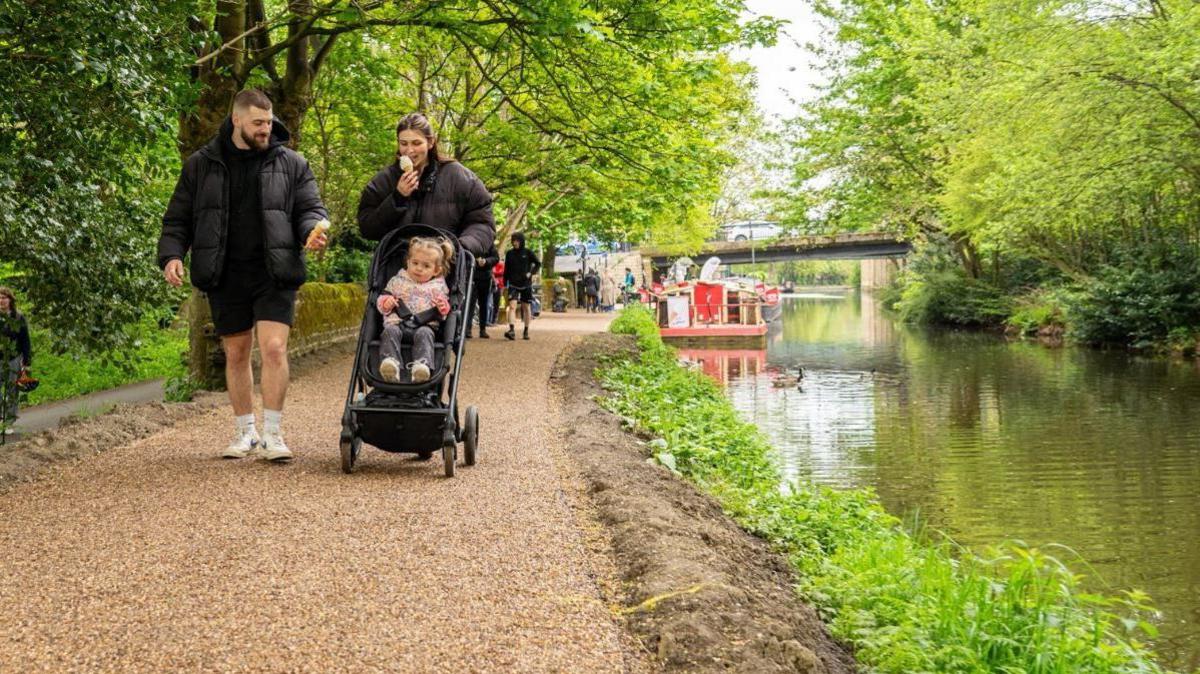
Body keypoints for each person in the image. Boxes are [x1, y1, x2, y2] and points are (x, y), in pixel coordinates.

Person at [158, 89, 329, 462]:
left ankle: (273, 433)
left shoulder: (293, 163)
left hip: (275, 269)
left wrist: (312, 230)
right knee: (235, 354)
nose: (266, 129)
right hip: (225, 271)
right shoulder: (201, 164)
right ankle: (244, 432)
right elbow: (178, 217)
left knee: (273, 348)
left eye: (269, 123)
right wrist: (171, 255)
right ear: (236, 120)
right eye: (258, 123)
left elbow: (310, 208)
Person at [357, 112, 495, 258]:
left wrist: (458, 248)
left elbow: (483, 223)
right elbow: (367, 228)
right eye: (404, 143)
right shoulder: (385, 180)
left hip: (445, 271)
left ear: (430, 143)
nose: (409, 150)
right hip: (396, 271)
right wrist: (397, 199)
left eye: (416, 143)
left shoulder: (460, 177)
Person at [377, 237, 453, 383]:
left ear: (436, 271)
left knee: (425, 334)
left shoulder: (438, 287)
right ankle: (390, 364)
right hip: (397, 323)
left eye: (426, 266)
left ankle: (421, 367)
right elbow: (382, 299)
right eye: (415, 263)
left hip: (424, 325)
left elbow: (444, 309)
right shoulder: (397, 281)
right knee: (389, 332)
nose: (419, 268)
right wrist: (387, 303)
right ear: (408, 262)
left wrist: (442, 307)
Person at [0, 287, 32, 435]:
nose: (1, 300)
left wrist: (27, 362)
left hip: (13, 359)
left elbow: (25, 340)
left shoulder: (18, 318)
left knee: (12, 391)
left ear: (10, 300)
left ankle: (8, 422)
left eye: (4, 297)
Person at [503, 232, 540, 340]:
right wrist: (505, 283)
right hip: (513, 284)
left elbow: (538, 263)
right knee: (512, 307)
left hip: (526, 284)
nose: (515, 243)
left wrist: (531, 273)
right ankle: (511, 330)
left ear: (521, 241)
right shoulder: (509, 253)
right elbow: (506, 269)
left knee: (526, 307)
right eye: (513, 241)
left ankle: (526, 330)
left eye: (517, 241)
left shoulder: (528, 252)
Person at [467, 243, 499, 338]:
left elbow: (495, 258)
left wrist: (486, 261)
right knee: (470, 304)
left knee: (484, 305)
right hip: (472, 278)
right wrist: (475, 262)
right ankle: (468, 329)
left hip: (485, 278)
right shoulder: (472, 243)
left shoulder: (490, 245)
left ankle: (482, 329)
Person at [491, 259, 505, 325]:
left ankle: (494, 319)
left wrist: (494, 274)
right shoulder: (492, 263)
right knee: (491, 303)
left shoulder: (501, 264)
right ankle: (491, 319)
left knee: (497, 302)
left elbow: (502, 272)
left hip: (499, 285)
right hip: (492, 284)